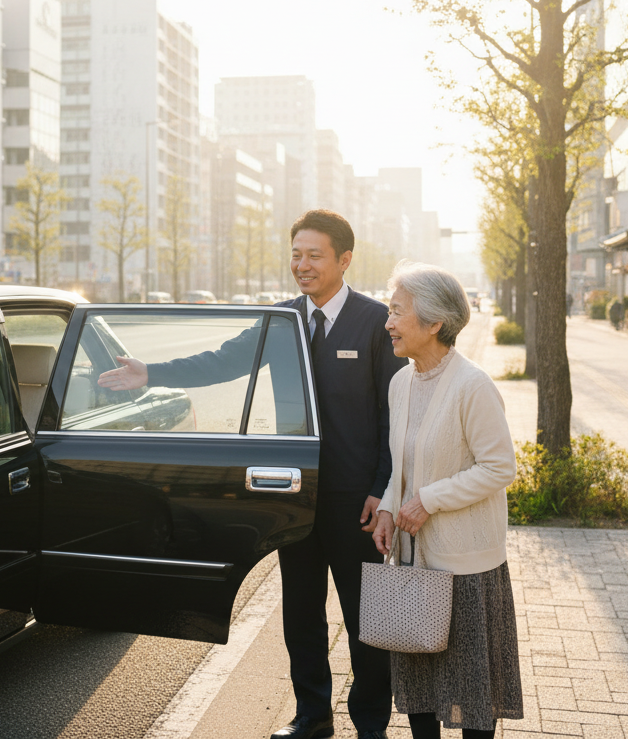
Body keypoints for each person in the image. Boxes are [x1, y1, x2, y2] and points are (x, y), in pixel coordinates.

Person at [98, 210, 406, 739]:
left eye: (314, 255)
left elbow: (394, 415)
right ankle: (312, 716)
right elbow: (222, 360)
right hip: (296, 493)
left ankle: (371, 722)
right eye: (296, 254)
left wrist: (383, 489)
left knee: (365, 619)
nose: (301, 265)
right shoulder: (280, 320)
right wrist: (151, 374)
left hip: (357, 500)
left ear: (344, 260)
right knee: (300, 613)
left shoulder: (376, 321)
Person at [373, 262, 523, 739]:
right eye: (389, 311)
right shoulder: (401, 383)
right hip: (415, 560)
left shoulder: (472, 385)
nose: (388, 323)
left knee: (471, 698)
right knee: (420, 693)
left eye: (397, 312)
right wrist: (388, 509)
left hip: (466, 567)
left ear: (435, 322)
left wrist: (429, 500)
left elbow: (499, 467)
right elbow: (403, 463)